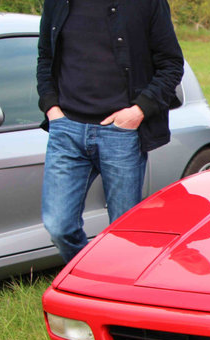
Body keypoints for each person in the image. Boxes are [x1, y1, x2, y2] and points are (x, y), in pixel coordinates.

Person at [37, 0, 184, 263]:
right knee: (59, 226)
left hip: (121, 133)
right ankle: (90, 273)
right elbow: (45, 57)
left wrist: (138, 111)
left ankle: (115, 290)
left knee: (123, 232)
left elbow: (171, 64)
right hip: (66, 128)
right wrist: (51, 108)